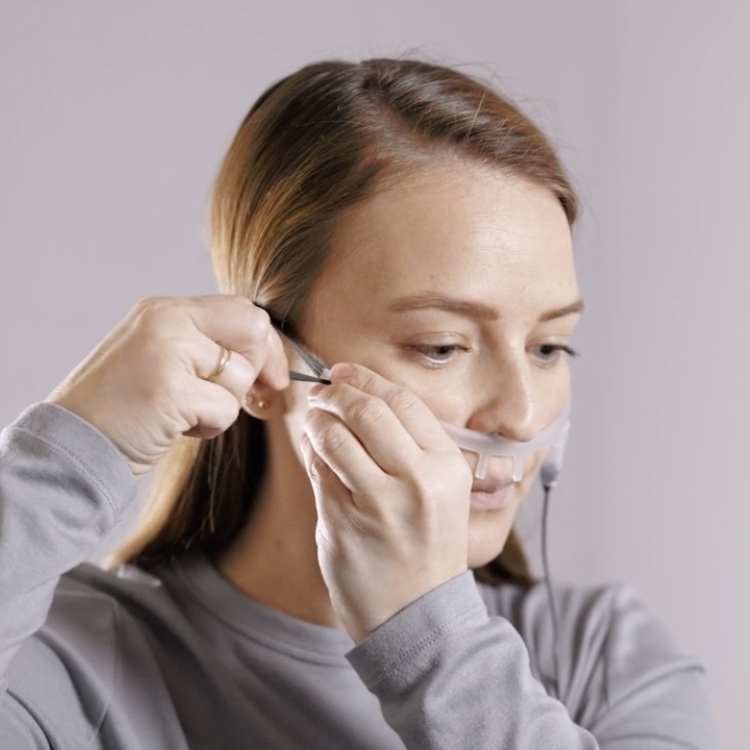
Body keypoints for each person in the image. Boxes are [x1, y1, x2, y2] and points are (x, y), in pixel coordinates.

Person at [0, 58, 716, 749]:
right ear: (269, 367)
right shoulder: (66, 664)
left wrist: (430, 637)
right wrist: (67, 453)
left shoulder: (602, 659)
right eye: (441, 346)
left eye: (549, 347)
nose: (523, 417)